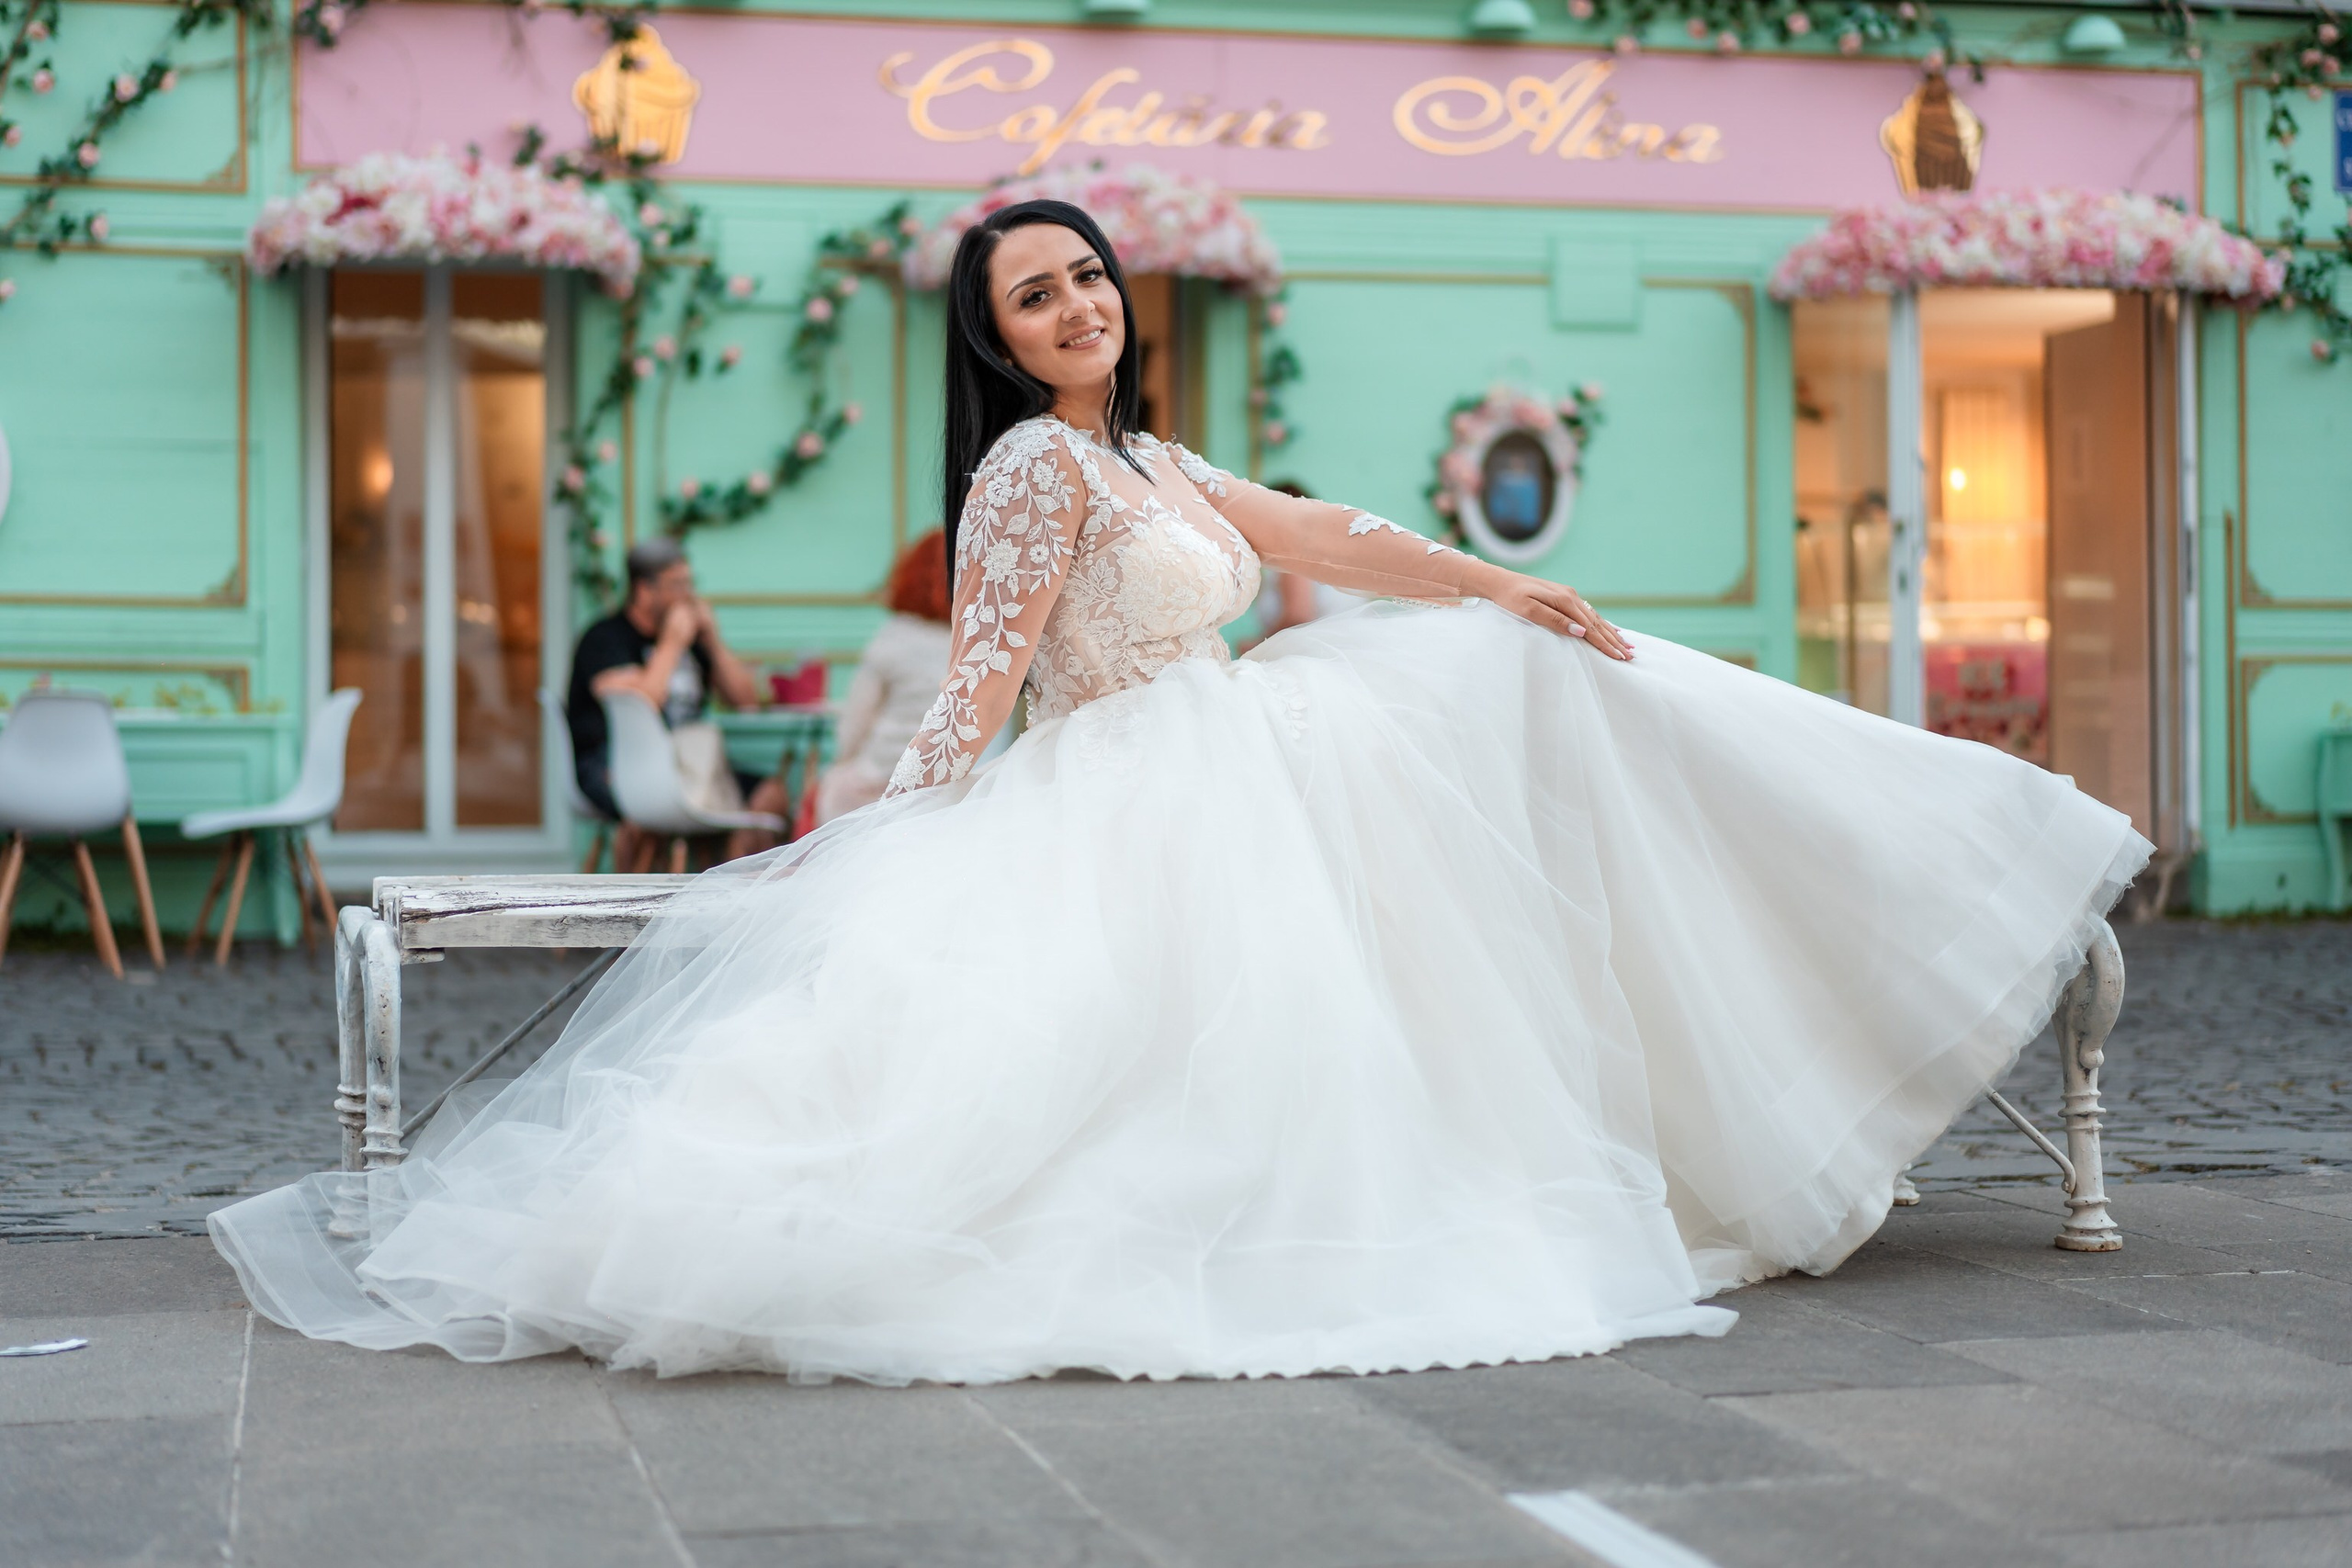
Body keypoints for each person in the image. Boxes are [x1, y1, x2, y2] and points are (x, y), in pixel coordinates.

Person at [210, 202, 2148, 1386]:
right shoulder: (1033, 476)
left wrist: (1492, 574)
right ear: (990, 338)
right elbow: (976, 681)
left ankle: (1886, 886)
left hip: (1253, 743)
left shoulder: (1140, 447)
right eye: (1033, 300)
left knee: (1518, 675)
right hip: (1135, 778)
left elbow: (1308, 526)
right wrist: (890, 827)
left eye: (1085, 280)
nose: (1074, 308)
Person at [564, 537, 786, 863]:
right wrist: (671, 643)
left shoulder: (694, 640)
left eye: (689, 583)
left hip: (689, 764)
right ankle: (626, 907)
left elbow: (746, 701)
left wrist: (712, 641)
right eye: (677, 584)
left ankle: (738, 893)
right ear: (644, 591)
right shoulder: (604, 638)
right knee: (643, 811)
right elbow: (645, 702)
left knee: (772, 795)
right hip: (613, 762)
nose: (688, 595)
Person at [808, 532, 955, 828]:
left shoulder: (893, 638)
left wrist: (837, 767)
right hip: (941, 791)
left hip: (875, 787)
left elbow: (853, 728)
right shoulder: (973, 643)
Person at [1248, 479, 1362, 645]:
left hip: (1318, 654)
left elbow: (1297, 616)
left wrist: (1256, 645)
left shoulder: (1292, 554)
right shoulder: (1320, 550)